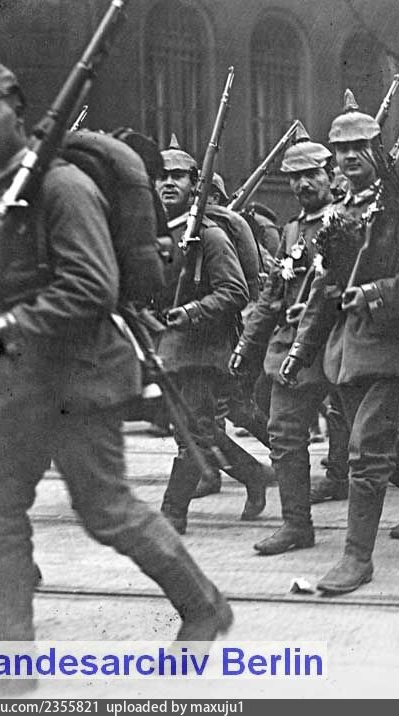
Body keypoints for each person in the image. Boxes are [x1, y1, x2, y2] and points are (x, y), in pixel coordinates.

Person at [0, 61, 231, 690]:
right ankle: (13, 668)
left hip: (78, 380)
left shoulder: (61, 185)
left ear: (17, 108)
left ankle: (204, 605)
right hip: (17, 385)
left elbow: (91, 288)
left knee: (107, 511)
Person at [286, 92, 399, 594]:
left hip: (394, 345)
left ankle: (356, 559)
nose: (349, 157)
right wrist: (301, 349)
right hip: (347, 350)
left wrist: (372, 294)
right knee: (386, 447)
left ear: (378, 148)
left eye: (358, 147)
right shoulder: (339, 212)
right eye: (340, 149)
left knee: (365, 450)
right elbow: (325, 288)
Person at [230, 125, 338, 555]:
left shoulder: (347, 220)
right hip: (296, 351)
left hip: (341, 344)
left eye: (312, 174)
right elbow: (272, 295)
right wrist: (247, 346)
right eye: (295, 177)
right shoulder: (293, 231)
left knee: (374, 441)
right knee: (285, 433)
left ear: (331, 174)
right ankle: (297, 525)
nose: (303, 184)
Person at [153, 143, 263, 531]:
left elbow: (235, 291)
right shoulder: (158, 235)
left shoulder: (209, 236)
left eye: (177, 177)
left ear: (194, 185)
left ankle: (172, 514)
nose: (168, 183)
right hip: (168, 348)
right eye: (162, 177)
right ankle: (253, 474)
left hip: (204, 349)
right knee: (199, 429)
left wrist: (191, 312)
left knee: (194, 434)